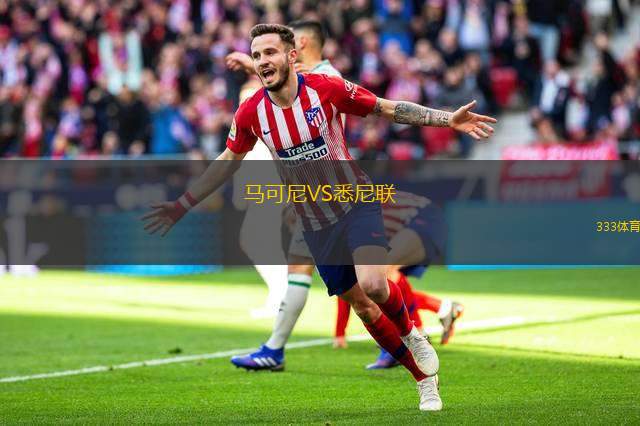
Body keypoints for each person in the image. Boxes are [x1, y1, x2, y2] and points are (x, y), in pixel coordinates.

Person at [142, 24, 496, 412]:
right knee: (363, 307)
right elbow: (227, 161)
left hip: (355, 201)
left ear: (292, 55)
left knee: (374, 284)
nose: (262, 61)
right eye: (257, 55)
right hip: (315, 223)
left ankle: (412, 334)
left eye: (270, 52)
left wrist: (447, 120)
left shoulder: (325, 89)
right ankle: (424, 380)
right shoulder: (251, 112)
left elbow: (386, 108)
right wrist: (182, 204)